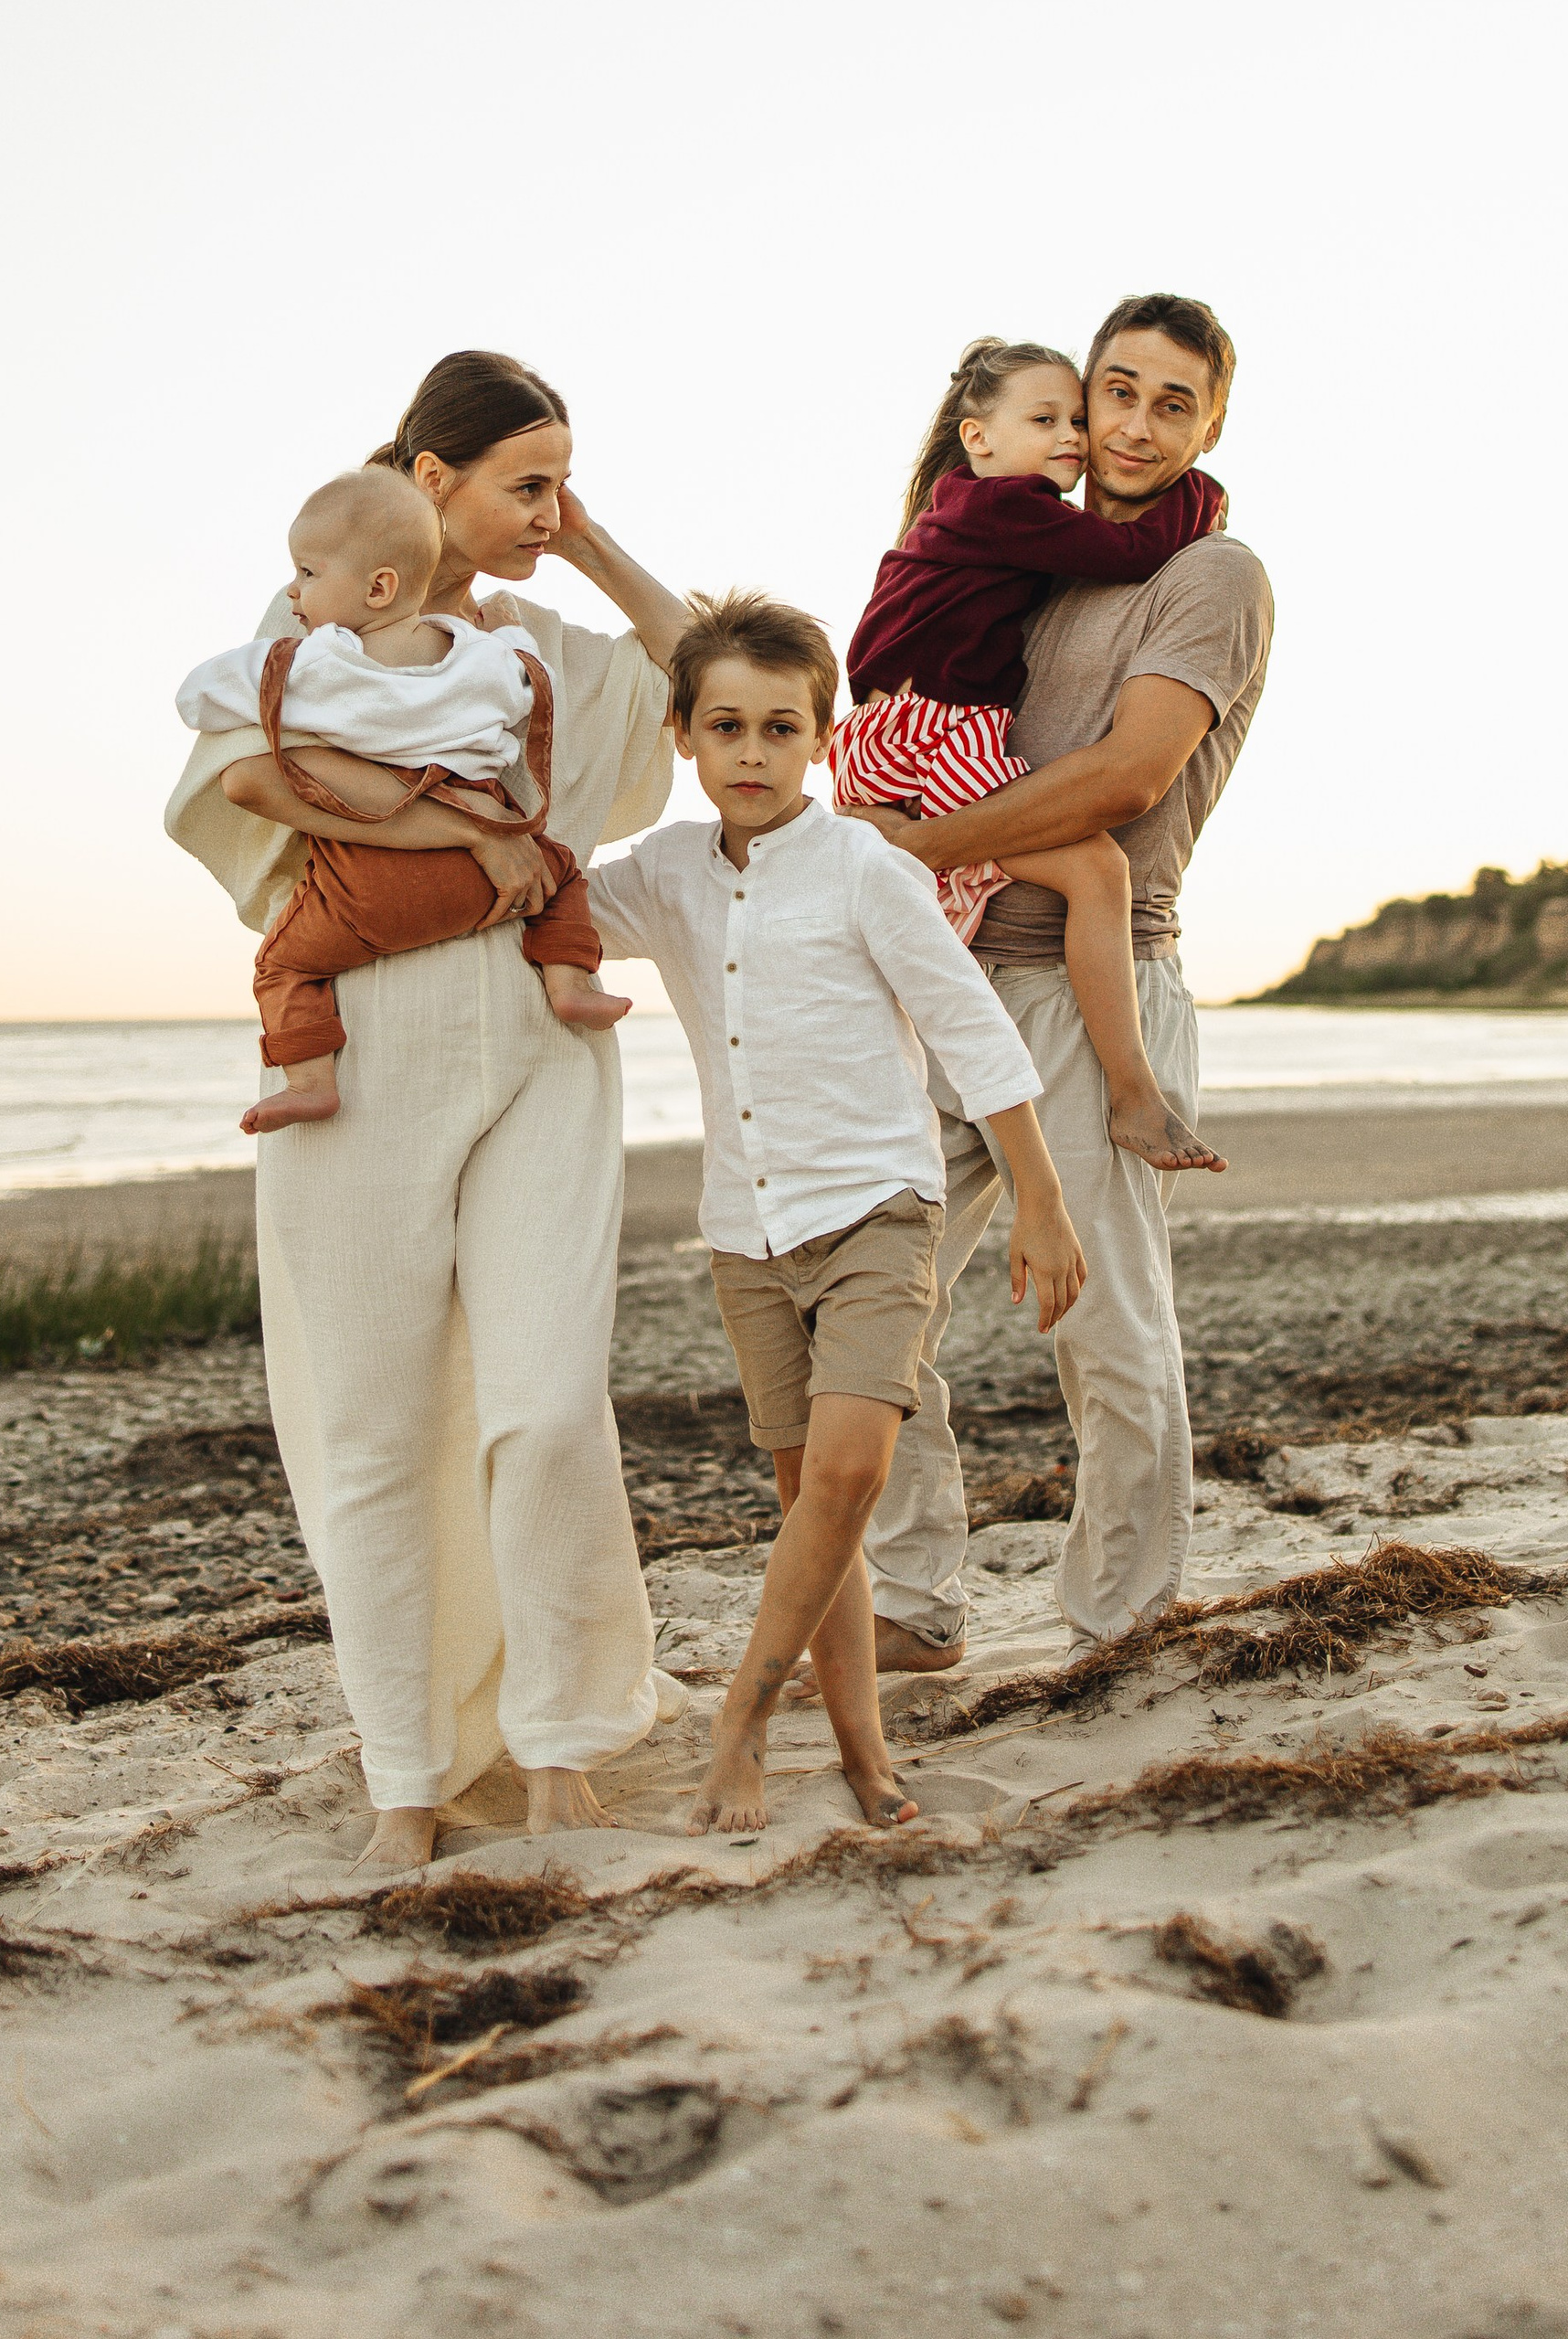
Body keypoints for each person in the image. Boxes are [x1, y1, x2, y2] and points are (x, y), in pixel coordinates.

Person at [165, 348, 685, 1861]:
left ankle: (564, 1740)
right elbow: (237, 784)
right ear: (431, 481)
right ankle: (405, 1772)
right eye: (529, 483)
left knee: (544, 1405)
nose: (553, 509)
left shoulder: (543, 650)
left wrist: (582, 543)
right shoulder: (319, 616)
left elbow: (721, 675)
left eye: (565, 484)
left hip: (541, 1041)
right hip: (364, 1040)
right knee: (377, 1425)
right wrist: (453, 827)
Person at [587, 592, 1083, 1834]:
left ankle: (745, 1719)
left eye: (778, 729)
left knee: (854, 1471)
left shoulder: (865, 862)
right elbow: (543, 905)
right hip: (745, 1236)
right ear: (686, 740)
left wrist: (1041, 1202)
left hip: (877, 1209)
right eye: (726, 728)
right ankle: (865, 1757)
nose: (751, 754)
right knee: (819, 1503)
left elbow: (971, 1027)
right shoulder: (660, 877)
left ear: (819, 739)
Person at [843, 292, 1272, 1668]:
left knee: (1103, 1324)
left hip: (1090, 992)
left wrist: (905, 852)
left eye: (1172, 403)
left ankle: (1119, 1621)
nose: (1135, 425)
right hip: (952, 988)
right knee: (872, 1298)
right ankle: (911, 1606)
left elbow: (1128, 775)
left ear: (1212, 424)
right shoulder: (1037, 554)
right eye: (1116, 393)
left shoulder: (1208, 575)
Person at [832, 335, 1226, 1171]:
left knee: (939, 903)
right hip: (928, 730)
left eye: (1075, 421)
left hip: (892, 733)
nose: (1075, 439)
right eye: (1048, 419)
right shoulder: (1004, 510)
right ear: (979, 437)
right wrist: (1200, 492)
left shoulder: (965, 512)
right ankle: (1131, 1092)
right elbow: (1131, 552)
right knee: (1097, 873)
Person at [176, 464, 627, 1133]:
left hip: (366, 885)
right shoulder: (477, 658)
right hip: (488, 873)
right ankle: (568, 984)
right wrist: (508, 630)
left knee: (283, 964)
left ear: (378, 587)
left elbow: (201, 697)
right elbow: (530, 683)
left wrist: (254, 666)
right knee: (562, 876)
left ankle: (310, 1081)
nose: (295, 593)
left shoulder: (317, 662)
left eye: (305, 574)